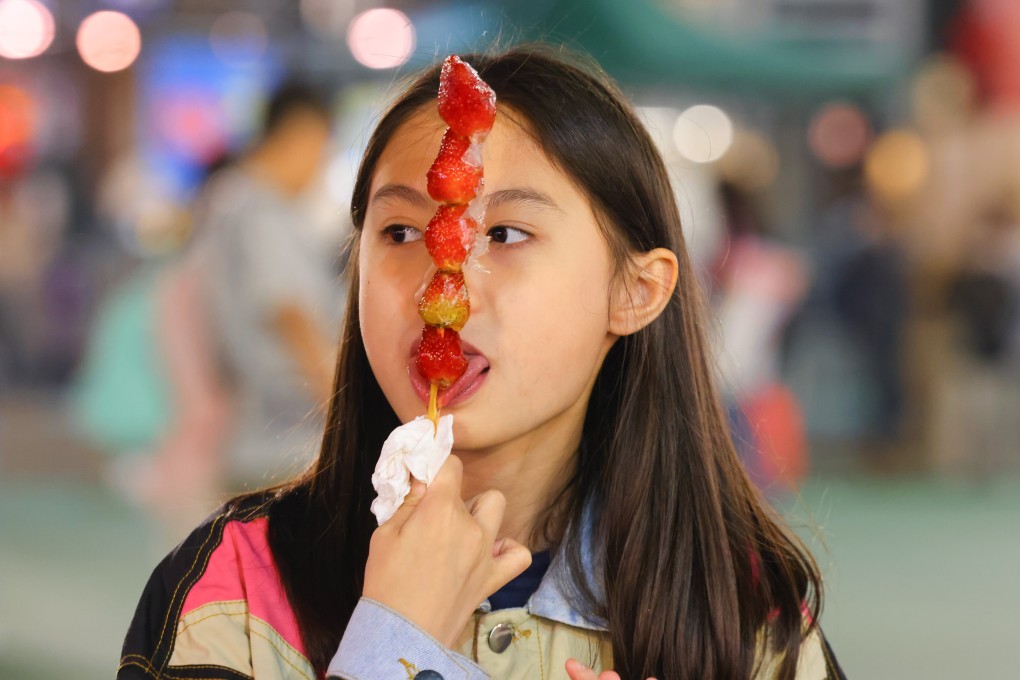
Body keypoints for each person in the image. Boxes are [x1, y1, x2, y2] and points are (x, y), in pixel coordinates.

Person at [118, 47, 845, 680]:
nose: (445, 288)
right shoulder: (233, 586)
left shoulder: (745, 611)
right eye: (400, 230)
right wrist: (390, 645)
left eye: (505, 233)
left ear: (635, 290)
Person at [186, 82, 342, 489]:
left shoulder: (232, 203)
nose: (321, 166)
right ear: (302, 136)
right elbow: (294, 321)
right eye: (323, 149)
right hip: (286, 451)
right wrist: (344, 412)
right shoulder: (263, 215)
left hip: (255, 438)